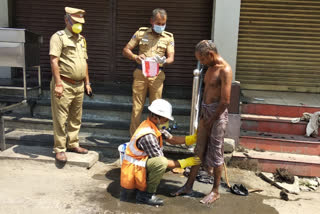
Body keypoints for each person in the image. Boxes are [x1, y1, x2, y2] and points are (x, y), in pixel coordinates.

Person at [171, 40, 232, 204]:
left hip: (217, 116)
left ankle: (215, 191)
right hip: (206, 114)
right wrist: (203, 117)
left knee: (216, 153)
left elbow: (225, 101)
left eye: (202, 59)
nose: (202, 63)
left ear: (210, 55)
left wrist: (211, 120)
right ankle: (188, 185)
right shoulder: (209, 68)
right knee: (198, 149)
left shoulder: (224, 70)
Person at [120, 99, 200, 206]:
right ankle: (145, 196)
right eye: (165, 119)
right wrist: (186, 162)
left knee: (162, 163)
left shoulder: (152, 125)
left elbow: (172, 139)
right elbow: (163, 162)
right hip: (133, 170)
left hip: (140, 164)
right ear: (155, 117)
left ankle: (146, 183)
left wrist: (192, 138)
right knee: (161, 163)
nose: (166, 121)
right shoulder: (148, 135)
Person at [122, 8, 175, 136]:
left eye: (163, 24)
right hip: (141, 73)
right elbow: (126, 50)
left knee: (157, 108)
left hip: (157, 75)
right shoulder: (141, 33)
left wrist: (164, 60)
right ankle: (134, 137)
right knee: (137, 107)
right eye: (158, 23)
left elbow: (171, 58)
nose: (161, 26)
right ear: (151, 21)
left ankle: (155, 136)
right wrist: (135, 57)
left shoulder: (168, 37)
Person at [49, 7, 92, 162]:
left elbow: (84, 62)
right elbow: (54, 60)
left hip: (79, 85)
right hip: (64, 83)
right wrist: (58, 83)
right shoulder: (58, 37)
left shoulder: (82, 39)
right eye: (75, 22)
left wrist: (87, 82)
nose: (79, 25)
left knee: (76, 117)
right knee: (61, 118)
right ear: (66, 20)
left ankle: (73, 143)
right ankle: (60, 148)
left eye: (81, 22)